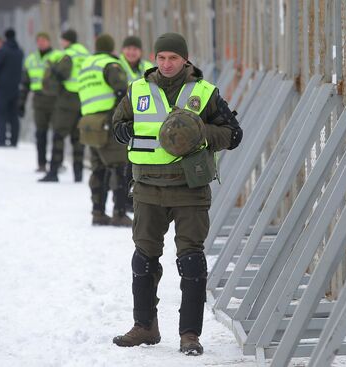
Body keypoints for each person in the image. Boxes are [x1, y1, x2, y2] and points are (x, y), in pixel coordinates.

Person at [111, 33, 243, 355]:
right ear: (154, 59)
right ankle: (144, 327)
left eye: (173, 58)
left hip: (189, 190)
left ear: (185, 59)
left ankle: (189, 335)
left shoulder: (204, 92)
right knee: (143, 259)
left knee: (191, 262)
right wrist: (124, 131)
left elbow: (233, 134)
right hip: (148, 189)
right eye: (161, 58)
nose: (167, 64)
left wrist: (199, 133)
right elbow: (117, 126)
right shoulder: (138, 90)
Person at [76, 34, 131, 226]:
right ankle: (119, 213)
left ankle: (97, 212)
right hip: (107, 122)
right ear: (111, 47)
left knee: (97, 168)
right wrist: (116, 114)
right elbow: (121, 89)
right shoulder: (110, 64)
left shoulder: (86, 66)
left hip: (89, 123)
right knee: (118, 166)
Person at [38, 29, 89, 182]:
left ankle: (53, 171)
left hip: (67, 99)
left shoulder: (68, 55)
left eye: (62, 40)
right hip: (83, 98)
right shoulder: (85, 54)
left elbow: (62, 74)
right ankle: (78, 174)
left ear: (67, 41)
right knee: (78, 138)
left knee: (59, 135)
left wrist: (54, 70)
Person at [118, 36, 154, 213]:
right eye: (128, 48)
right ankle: (123, 200)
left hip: (144, 119)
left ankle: (136, 198)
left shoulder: (149, 68)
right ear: (122, 50)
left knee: (138, 160)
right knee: (123, 162)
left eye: (135, 49)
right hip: (123, 118)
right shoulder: (116, 66)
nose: (131, 52)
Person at [19, 32, 63, 172]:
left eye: (44, 40)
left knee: (57, 132)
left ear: (49, 42)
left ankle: (57, 163)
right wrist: (22, 101)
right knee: (41, 133)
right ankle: (41, 163)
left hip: (55, 99)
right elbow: (25, 82)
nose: (42, 43)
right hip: (38, 98)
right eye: (39, 41)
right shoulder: (31, 59)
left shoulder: (57, 56)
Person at [0, 29, 23, 147]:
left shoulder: (3, 51)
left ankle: (1, 139)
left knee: (0, 114)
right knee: (13, 115)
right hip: (15, 88)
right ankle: (14, 141)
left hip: (2, 88)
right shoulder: (19, 51)